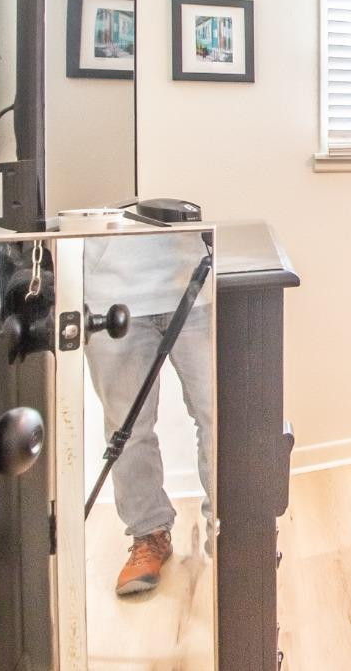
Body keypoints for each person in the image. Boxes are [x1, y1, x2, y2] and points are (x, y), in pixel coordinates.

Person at [83, 230, 215, 596]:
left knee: (219, 417)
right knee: (128, 429)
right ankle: (149, 534)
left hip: (193, 280)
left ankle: (226, 530)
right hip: (108, 293)